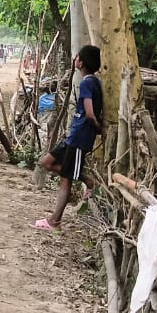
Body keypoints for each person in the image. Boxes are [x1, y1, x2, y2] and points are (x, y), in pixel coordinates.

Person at [34, 45, 103, 229]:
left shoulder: (88, 83)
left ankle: (54, 220)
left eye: (77, 57)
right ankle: (88, 181)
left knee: (66, 179)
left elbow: (89, 112)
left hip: (80, 137)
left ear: (81, 61)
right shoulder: (92, 81)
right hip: (74, 136)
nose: (75, 60)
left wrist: (97, 127)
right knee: (47, 162)